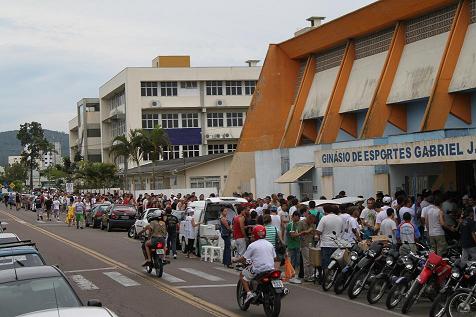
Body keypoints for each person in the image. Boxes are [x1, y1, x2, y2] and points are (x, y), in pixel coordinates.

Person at [235, 225, 277, 304]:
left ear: (254, 234)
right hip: (270, 269)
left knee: (242, 275)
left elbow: (244, 259)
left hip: (258, 269)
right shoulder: (270, 244)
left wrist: (235, 260)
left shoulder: (252, 245)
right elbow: (274, 258)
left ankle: (249, 294)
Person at [316, 204, 343, 277]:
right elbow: (341, 231)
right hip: (337, 244)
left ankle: (326, 278)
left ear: (325, 211)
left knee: (326, 263)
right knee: (334, 262)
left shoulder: (324, 218)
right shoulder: (340, 218)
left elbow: (319, 231)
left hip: (326, 244)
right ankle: (333, 278)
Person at [286, 211, 302, 284]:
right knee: (293, 261)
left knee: (296, 262)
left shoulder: (297, 224)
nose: (299, 218)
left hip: (297, 245)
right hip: (292, 246)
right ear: (294, 216)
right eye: (298, 217)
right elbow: (292, 235)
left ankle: (293, 276)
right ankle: (292, 277)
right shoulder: (291, 224)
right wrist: (302, 233)